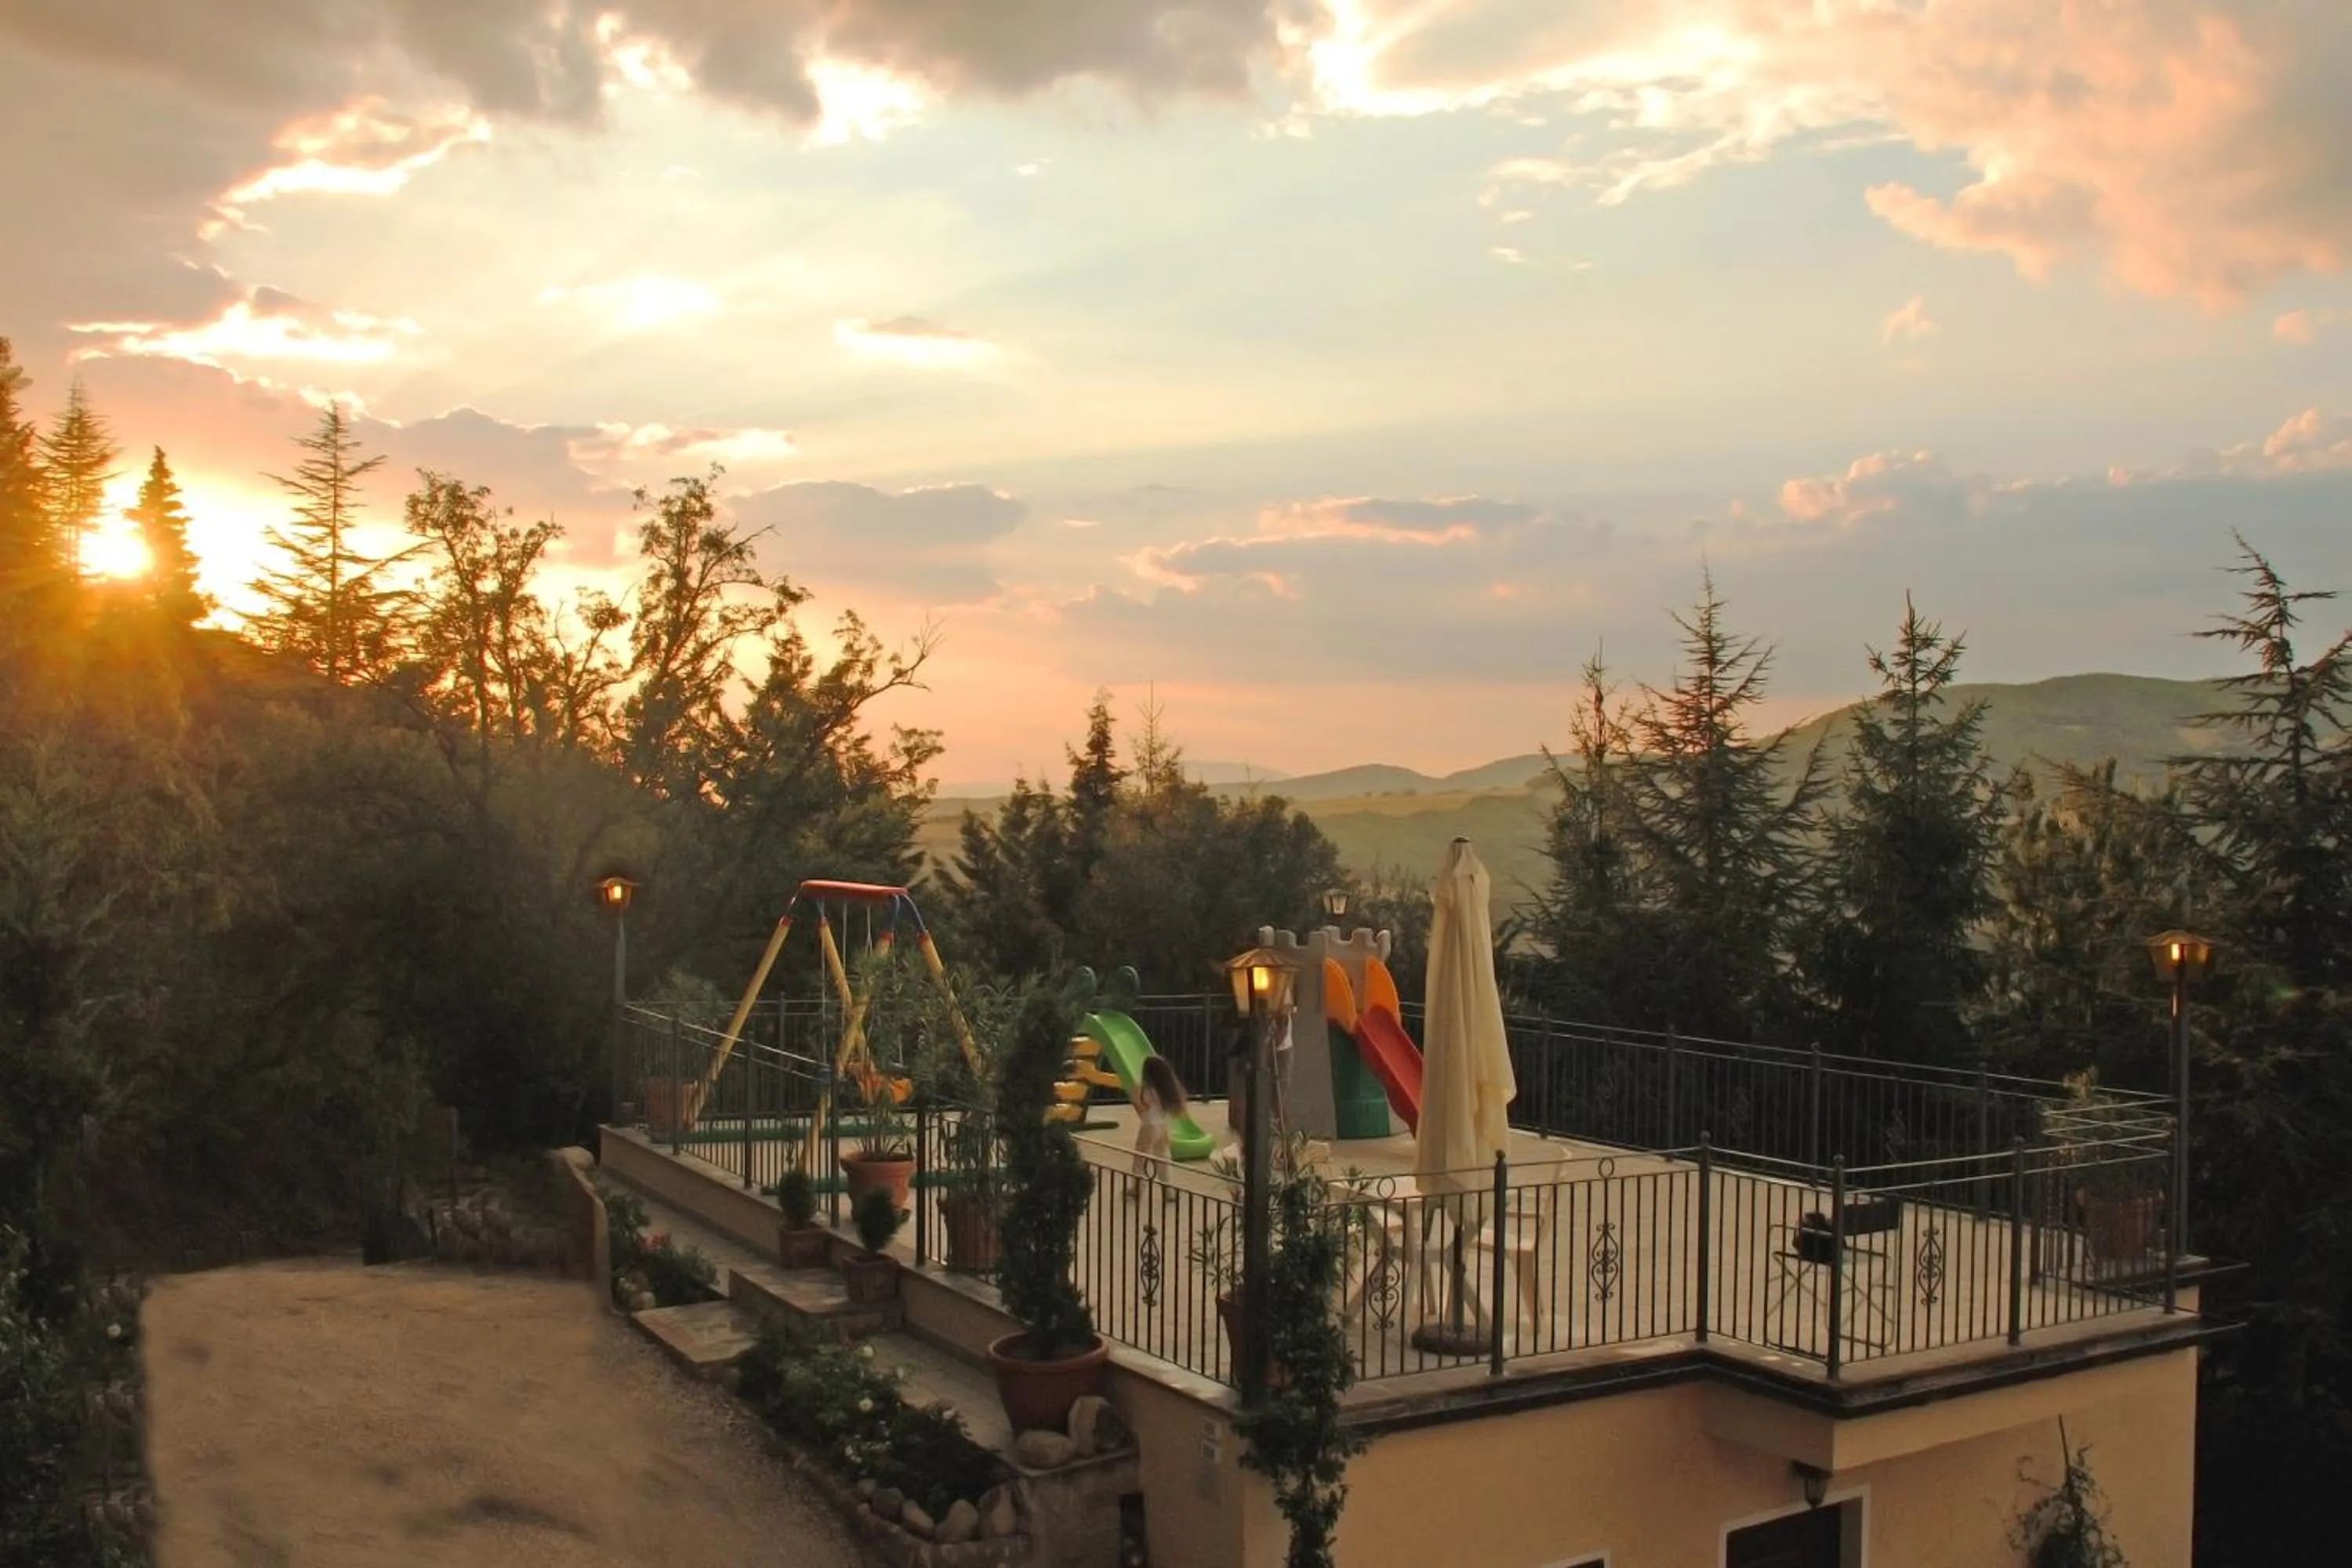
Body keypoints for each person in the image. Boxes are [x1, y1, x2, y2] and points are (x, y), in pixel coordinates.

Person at [1130, 1054, 1187, 1203]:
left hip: (1149, 1126)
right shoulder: (1167, 1089)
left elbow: (1140, 1109)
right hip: (1163, 1127)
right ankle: (1169, 1192)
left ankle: (1137, 1189)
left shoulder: (1143, 1088)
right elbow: (1177, 1111)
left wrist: (1136, 1099)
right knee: (1163, 1159)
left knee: (1140, 1159)